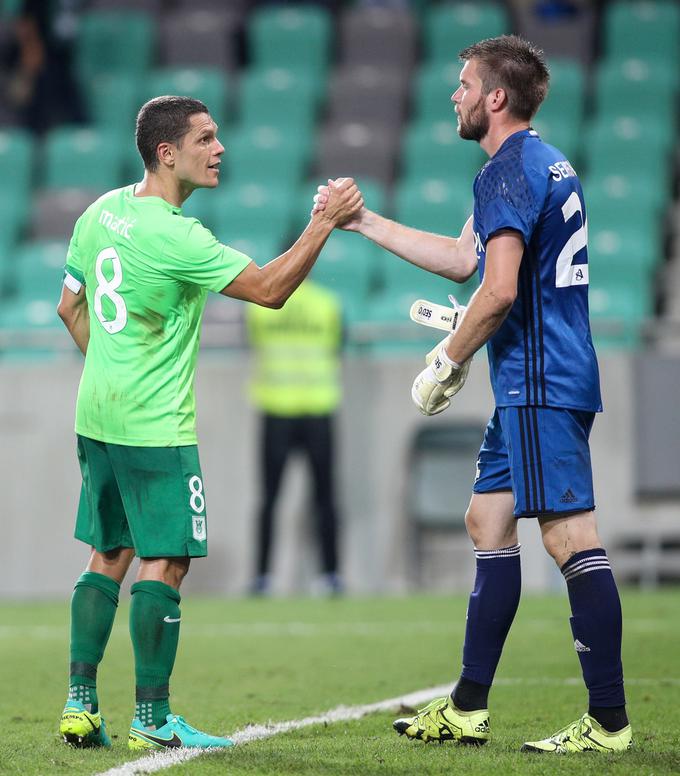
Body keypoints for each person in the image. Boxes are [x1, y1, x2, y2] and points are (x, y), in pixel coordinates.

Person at [314, 35, 631, 754]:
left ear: (496, 97)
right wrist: (361, 222)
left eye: (463, 85)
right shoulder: (537, 162)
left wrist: (447, 360)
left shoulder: (507, 170)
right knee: (487, 519)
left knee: (569, 536)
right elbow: (467, 262)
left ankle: (609, 721)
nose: (453, 95)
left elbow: (498, 288)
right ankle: (467, 706)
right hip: (541, 375)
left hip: (541, 379)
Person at [56, 95, 361, 751]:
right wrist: (324, 221)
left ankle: (80, 704)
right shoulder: (178, 236)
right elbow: (272, 289)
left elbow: (67, 306)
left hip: (96, 415)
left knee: (108, 553)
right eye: (206, 138)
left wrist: (111, 367)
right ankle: (153, 718)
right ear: (168, 153)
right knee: (165, 563)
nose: (219, 149)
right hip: (155, 427)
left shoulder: (100, 211)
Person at [245, 278, 344, 596]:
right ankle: (330, 576)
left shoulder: (260, 305)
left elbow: (255, 343)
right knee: (325, 498)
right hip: (318, 406)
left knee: (268, 498)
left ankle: (262, 578)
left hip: (277, 408)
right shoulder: (327, 303)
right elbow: (336, 345)